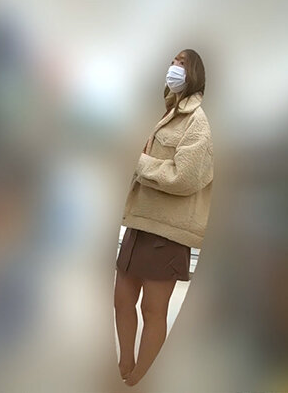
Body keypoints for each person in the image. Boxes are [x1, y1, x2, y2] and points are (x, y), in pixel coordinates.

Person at [115, 49, 214, 386]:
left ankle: (140, 376)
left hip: (167, 232)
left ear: (195, 73)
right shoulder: (168, 112)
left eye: (182, 63)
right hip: (140, 223)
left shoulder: (198, 122)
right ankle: (125, 363)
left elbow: (184, 177)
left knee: (152, 310)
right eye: (173, 61)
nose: (174, 67)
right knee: (121, 299)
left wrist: (140, 163)